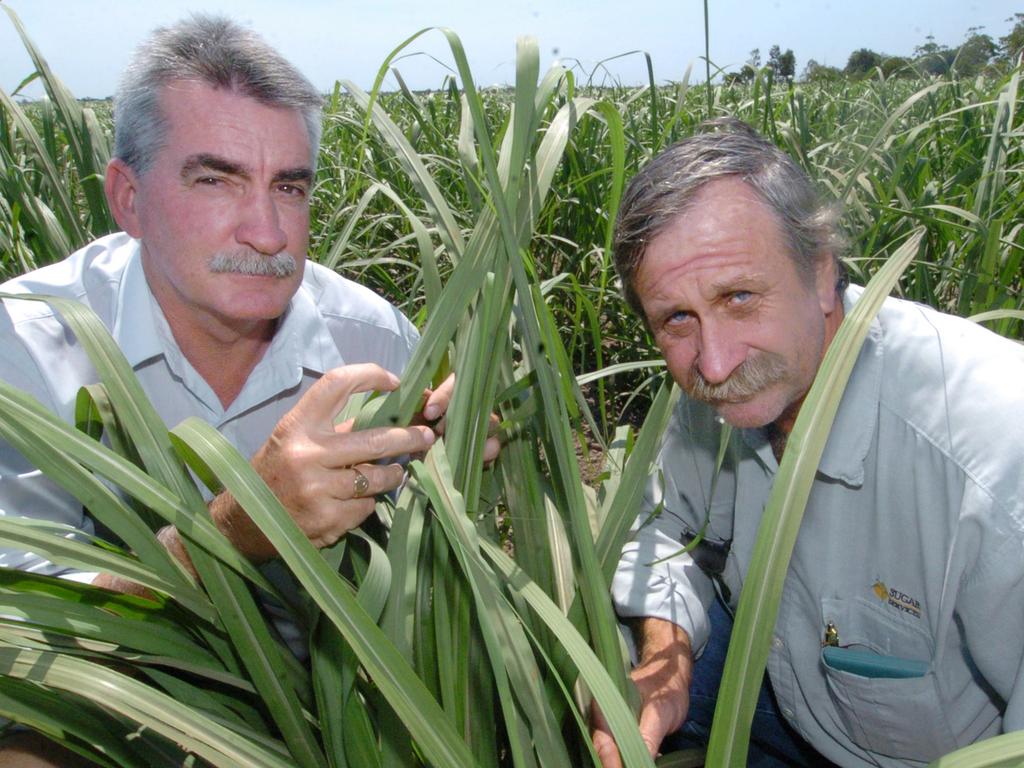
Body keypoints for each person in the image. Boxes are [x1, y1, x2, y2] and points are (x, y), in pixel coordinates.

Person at [0, 14, 492, 766]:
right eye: (216, 179)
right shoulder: (28, 344)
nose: (268, 233)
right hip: (121, 717)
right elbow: (26, 642)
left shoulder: (372, 338)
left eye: (289, 187)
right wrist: (235, 530)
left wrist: (464, 465)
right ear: (126, 198)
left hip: (336, 721)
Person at [591, 117, 1024, 767]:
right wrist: (667, 658)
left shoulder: (993, 461)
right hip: (776, 683)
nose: (711, 365)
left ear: (822, 273)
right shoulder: (725, 393)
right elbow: (668, 529)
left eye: (738, 296)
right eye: (677, 317)